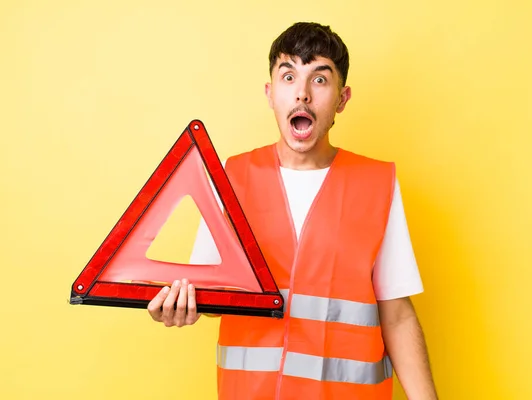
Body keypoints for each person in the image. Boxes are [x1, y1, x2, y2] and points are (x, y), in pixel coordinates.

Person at [147, 22, 438, 400]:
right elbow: (211, 296)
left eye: (319, 80)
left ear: (342, 98)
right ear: (271, 94)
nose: (301, 94)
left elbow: (397, 315)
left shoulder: (377, 183)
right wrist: (180, 305)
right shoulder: (234, 177)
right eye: (288, 77)